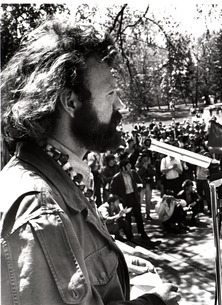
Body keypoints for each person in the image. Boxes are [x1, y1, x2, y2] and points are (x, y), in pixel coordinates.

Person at [0, 19, 180, 304]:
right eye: (110, 93)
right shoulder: (41, 210)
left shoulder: (56, 174)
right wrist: (154, 302)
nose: (120, 105)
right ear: (70, 102)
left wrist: (113, 257)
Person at [111, 159, 155, 242]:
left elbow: (140, 182)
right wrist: (119, 199)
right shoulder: (117, 177)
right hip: (125, 198)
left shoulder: (133, 173)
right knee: (127, 217)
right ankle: (129, 235)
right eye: (127, 165)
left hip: (134, 196)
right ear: (123, 168)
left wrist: (138, 189)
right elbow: (113, 190)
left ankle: (142, 233)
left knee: (138, 215)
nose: (129, 167)